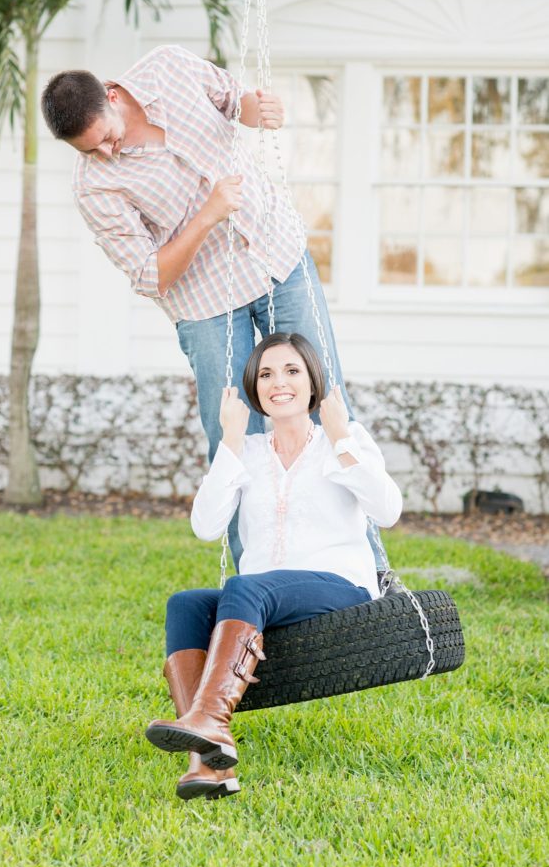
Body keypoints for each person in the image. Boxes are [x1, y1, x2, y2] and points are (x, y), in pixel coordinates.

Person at [40, 44, 393, 578]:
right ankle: (250, 583)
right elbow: (149, 275)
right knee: (234, 432)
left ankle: (370, 571)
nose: (106, 154)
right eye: (91, 151)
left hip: (277, 255)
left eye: (107, 138)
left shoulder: (168, 68)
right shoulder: (94, 187)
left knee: (326, 405)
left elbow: (237, 104)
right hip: (206, 304)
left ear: (113, 96)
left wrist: (261, 109)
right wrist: (207, 215)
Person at [145, 333, 403, 801]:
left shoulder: (342, 439)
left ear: (312, 383)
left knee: (247, 586)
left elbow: (387, 511)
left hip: (340, 587)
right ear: (253, 388)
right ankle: (208, 764)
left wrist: (342, 436)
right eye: (266, 374)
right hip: (264, 598)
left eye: (291, 371)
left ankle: (209, 722)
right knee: (185, 604)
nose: (277, 382)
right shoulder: (249, 451)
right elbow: (205, 526)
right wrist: (229, 441)